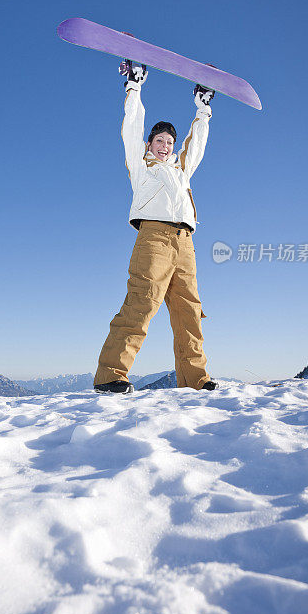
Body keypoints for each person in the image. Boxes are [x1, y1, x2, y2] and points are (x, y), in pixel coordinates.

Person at [93, 59, 218, 395]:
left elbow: (198, 146)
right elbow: (131, 127)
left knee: (189, 311)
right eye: (159, 140)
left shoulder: (180, 171)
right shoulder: (142, 166)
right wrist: (134, 86)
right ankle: (110, 374)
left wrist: (203, 108)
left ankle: (196, 378)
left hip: (185, 242)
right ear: (150, 145)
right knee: (143, 301)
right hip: (154, 238)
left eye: (169, 142)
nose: (165, 145)